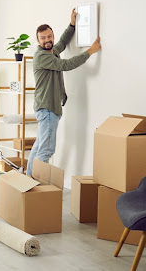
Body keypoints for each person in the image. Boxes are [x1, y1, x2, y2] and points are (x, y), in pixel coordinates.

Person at [26, 9, 101, 176]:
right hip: (47, 109)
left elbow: (62, 43)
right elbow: (66, 65)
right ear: (38, 40)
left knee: (39, 146)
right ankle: (38, 189)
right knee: (45, 150)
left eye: (49, 36)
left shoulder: (52, 51)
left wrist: (72, 24)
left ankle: (28, 182)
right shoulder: (42, 57)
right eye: (43, 38)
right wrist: (90, 51)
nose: (47, 40)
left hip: (45, 108)